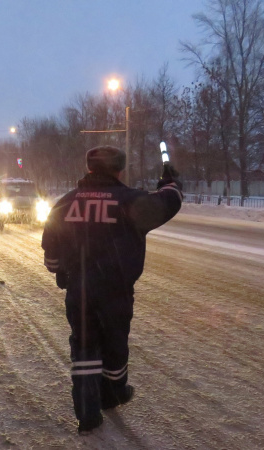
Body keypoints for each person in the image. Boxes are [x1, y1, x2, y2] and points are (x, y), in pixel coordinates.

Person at [41, 145, 182, 434]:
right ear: (120, 170)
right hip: (116, 291)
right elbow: (170, 201)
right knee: (115, 344)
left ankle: (87, 413)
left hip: (79, 291)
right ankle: (113, 393)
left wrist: (62, 271)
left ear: (89, 168)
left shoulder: (64, 204)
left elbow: (51, 257)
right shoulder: (131, 202)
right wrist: (170, 182)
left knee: (84, 346)